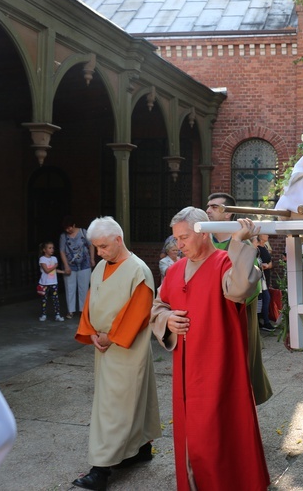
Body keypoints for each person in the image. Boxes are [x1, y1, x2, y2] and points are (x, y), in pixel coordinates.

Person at [150, 208, 270, 490]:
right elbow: (158, 305)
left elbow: (240, 288)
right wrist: (167, 319)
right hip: (184, 369)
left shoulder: (225, 263)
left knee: (217, 434)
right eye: (176, 239)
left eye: (184, 237)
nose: (178, 245)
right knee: (190, 435)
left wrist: (238, 243)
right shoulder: (176, 269)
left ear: (203, 233)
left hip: (219, 367)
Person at [72, 217, 161, 491]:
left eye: (103, 246)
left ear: (118, 240)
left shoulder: (138, 270)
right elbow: (91, 300)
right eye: (97, 247)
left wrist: (111, 336)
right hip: (105, 347)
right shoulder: (100, 265)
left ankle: (100, 470)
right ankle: (141, 449)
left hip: (125, 347)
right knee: (133, 399)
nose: (99, 252)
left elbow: (139, 311)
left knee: (113, 408)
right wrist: (90, 332)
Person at [206, 192, 272, 404]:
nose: (208, 210)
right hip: (209, 317)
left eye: (214, 207)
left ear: (229, 214)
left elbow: (249, 285)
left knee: (239, 366)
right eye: (208, 206)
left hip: (236, 315)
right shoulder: (206, 245)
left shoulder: (245, 245)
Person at [59, 216, 95, 319]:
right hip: (70, 265)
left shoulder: (83, 232)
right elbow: (62, 251)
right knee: (70, 288)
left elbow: (91, 245)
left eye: (69, 228)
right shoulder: (63, 237)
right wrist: (66, 266)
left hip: (85, 264)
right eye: (66, 228)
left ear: (74, 225)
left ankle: (83, 310)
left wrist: (92, 259)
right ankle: (70, 311)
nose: (68, 230)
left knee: (84, 288)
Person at [38, 241, 64, 322]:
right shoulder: (42, 259)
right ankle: (43, 314)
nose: (52, 249)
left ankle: (57, 315)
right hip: (44, 283)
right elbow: (47, 270)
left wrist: (64, 272)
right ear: (44, 250)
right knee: (44, 300)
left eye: (52, 248)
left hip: (53, 282)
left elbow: (54, 270)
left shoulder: (54, 258)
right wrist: (55, 265)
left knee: (55, 299)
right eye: (49, 248)